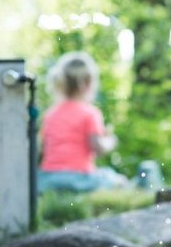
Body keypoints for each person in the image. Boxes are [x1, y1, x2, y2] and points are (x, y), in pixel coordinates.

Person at [37, 51, 132, 193]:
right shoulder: (90, 113)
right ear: (88, 83)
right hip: (79, 179)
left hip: (48, 179)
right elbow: (97, 148)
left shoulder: (50, 114)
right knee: (118, 180)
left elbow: (43, 149)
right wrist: (110, 141)